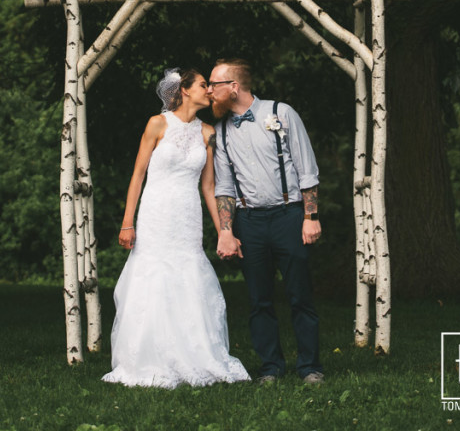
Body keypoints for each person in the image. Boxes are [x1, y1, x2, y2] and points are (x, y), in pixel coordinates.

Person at [102, 67, 250, 388]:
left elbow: (209, 187)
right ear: (184, 90)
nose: (209, 91)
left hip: (187, 215)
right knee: (153, 273)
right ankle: (147, 356)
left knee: (188, 273)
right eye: (202, 86)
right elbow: (137, 176)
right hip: (156, 212)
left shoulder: (207, 132)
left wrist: (224, 230)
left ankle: (194, 352)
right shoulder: (157, 124)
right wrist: (128, 222)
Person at [209, 57, 324, 385]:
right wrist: (226, 231)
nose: (209, 91)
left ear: (233, 87)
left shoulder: (281, 113)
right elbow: (225, 187)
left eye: (214, 84)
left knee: (300, 295)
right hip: (250, 222)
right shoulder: (220, 131)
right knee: (259, 300)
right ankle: (270, 368)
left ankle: (310, 368)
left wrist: (310, 217)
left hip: (289, 216)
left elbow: (307, 169)